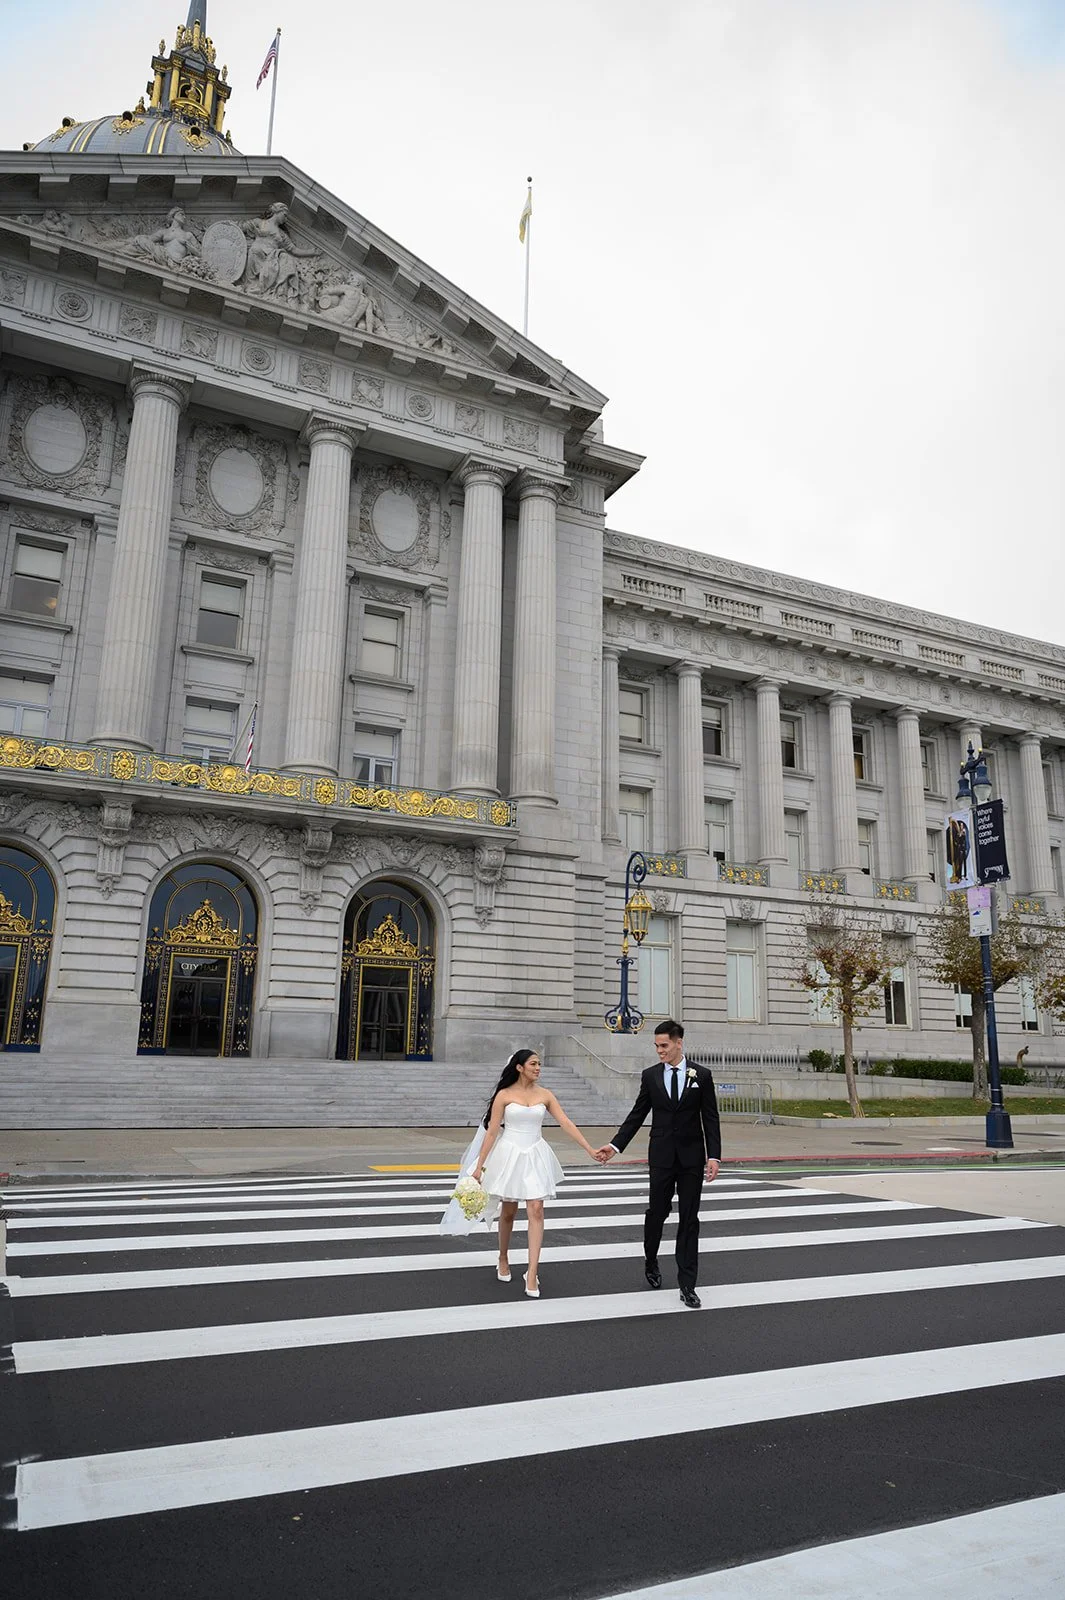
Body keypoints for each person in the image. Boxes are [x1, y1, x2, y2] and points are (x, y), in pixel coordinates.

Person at [441, 1049, 599, 1297]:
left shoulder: (545, 1095)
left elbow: (565, 1122)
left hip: (535, 1153)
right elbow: (492, 1132)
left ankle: (532, 1272)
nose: (538, 1068)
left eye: (539, 1064)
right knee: (509, 1211)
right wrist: (480, 1167)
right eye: (533, 1064)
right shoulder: (504, 1095)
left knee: (536, 1208)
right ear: (519, 1067)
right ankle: (503, 1257)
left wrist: (589, 1149)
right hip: (509, 1154)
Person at [597, 1019, 721, 1309]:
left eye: (664, 1046)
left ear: (679, 1043)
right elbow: (637, 1114)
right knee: (658, 1213)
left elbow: (710, 1117)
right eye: (656, 1046)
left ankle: (687, 1285)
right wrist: (615, 1146)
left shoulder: (701, 1075)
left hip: (691, 1159)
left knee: (689, 1221)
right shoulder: (650, 1076)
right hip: (662, 1157)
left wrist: (713, 1155)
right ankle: (650, 1259)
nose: (659, 1051)